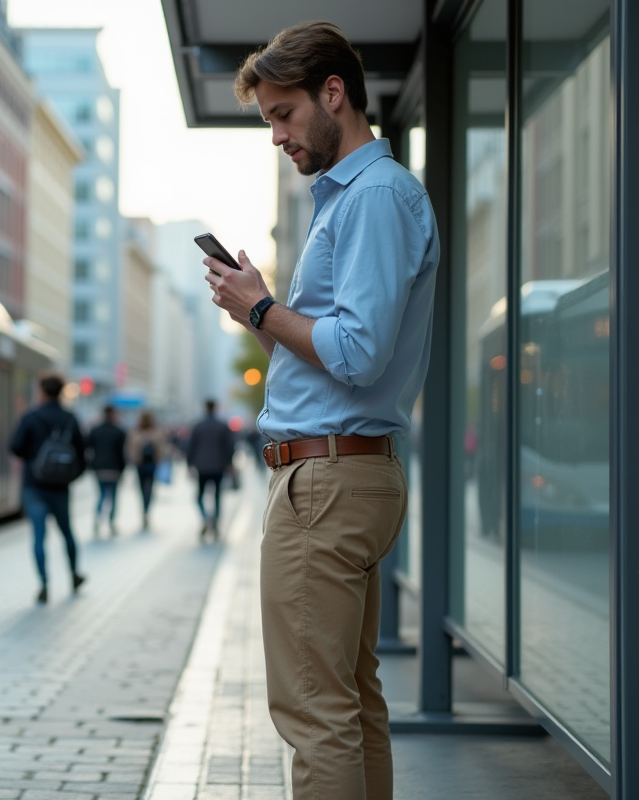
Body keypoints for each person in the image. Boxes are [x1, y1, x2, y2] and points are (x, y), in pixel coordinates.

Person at [204, 21, 440, 799]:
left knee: (315, 711)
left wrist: (263, 307)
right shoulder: (364, 197)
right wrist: (257, 312)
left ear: (333, 93)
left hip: (327, 483)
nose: (277, 135)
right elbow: (333, 356)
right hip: (345, 474)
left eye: (284, 114)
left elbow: (358, 352)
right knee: (349, 699)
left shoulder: (371, 198)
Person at [8, 372, 87, 604]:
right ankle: (74, 575)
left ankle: (44, 584)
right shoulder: (70, 418)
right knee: (67, 532)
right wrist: (69, 476)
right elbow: (83, 454)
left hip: (34, 486)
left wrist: (33, 459)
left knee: (39, 536)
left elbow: (15, 447)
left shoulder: (31, 417)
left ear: (41, 391)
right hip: (60, 488)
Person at [186, 399, 235, 540]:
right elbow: (229, 446)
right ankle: (215, 523)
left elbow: (191, 447)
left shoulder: (198, 426)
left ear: (205, 408)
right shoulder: (222, 426)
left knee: (199, 496)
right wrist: (229, 463)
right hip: (219, 466)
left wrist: (189, 465)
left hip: (201, 467)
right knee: (217, 496)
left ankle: (206, 518)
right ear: (215, 408)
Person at [85, 405, 126, 538]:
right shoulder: (118, 431)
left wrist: (91, 464)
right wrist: (122, 469)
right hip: (114, 468)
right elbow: (121, 453)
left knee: (101, 495)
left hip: (99, 468)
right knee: (113, 497)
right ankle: (111, 522)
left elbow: (87, 448)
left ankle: (97, 519)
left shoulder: (95, 430)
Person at [126, 411, 166, 532]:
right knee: (149, 488)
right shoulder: (156, 432)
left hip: (141, 464)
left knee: (142, 488)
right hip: (150, 464)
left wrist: (134, 459)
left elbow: (130, 448)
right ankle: (146, 509)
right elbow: (161, 448)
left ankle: (145, 509)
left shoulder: (135, 432)